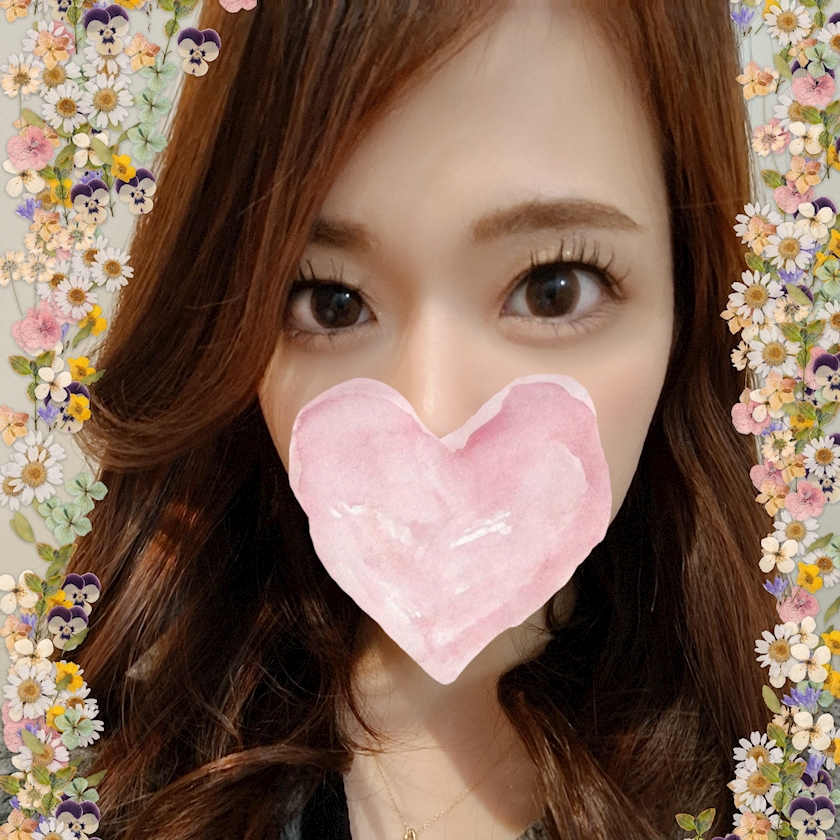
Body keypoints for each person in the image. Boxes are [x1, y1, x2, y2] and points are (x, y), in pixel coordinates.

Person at [68, 2, 776, 839]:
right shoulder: (93, 782)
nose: (436, 416)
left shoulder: (786, 780)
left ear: (691, 302)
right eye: (330, 302)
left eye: (553, 289)